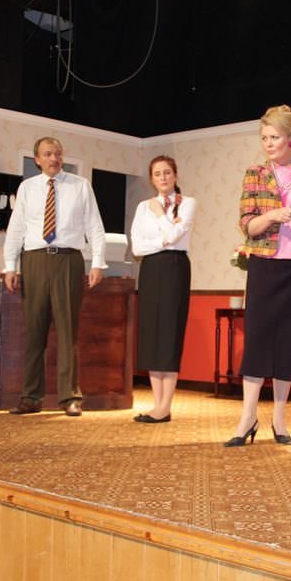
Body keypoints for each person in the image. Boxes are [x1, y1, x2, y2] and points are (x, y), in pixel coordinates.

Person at [225, 105, 291, 447]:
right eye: (264, 138)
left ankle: (280, 420)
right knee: (257, 342)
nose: (268, 144)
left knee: (289, 344)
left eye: (275, 137)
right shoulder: (255, 173)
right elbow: (247, 225)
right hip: (265, 267)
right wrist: (272, 215)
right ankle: (247, 418)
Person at [3, 136, 107, 417]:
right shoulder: (27, 188)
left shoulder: (80, 186)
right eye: (48, 154)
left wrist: (98, 262)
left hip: (68, 260)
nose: (54, 158)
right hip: (34, 260)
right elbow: (16, 228)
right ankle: (30, 397)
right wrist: (10, 265)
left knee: (67, 331)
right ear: (37, 159)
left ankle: (70, 397)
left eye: (58, 154)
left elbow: (95, 226)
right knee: (34, 331)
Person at [130, 155, 197, 422]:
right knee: (152, 334)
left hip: (175, 268)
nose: (163, 178)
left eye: (167, 172)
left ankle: (165, 406)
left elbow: (175, 237)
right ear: (152, 179)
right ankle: (157, 404)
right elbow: (137, 248)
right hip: (150, 270)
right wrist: (163, 239)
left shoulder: (187, 203)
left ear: (175, 175)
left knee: (169, 333)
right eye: (157, 174)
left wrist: (160, 217)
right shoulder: (142, 207)